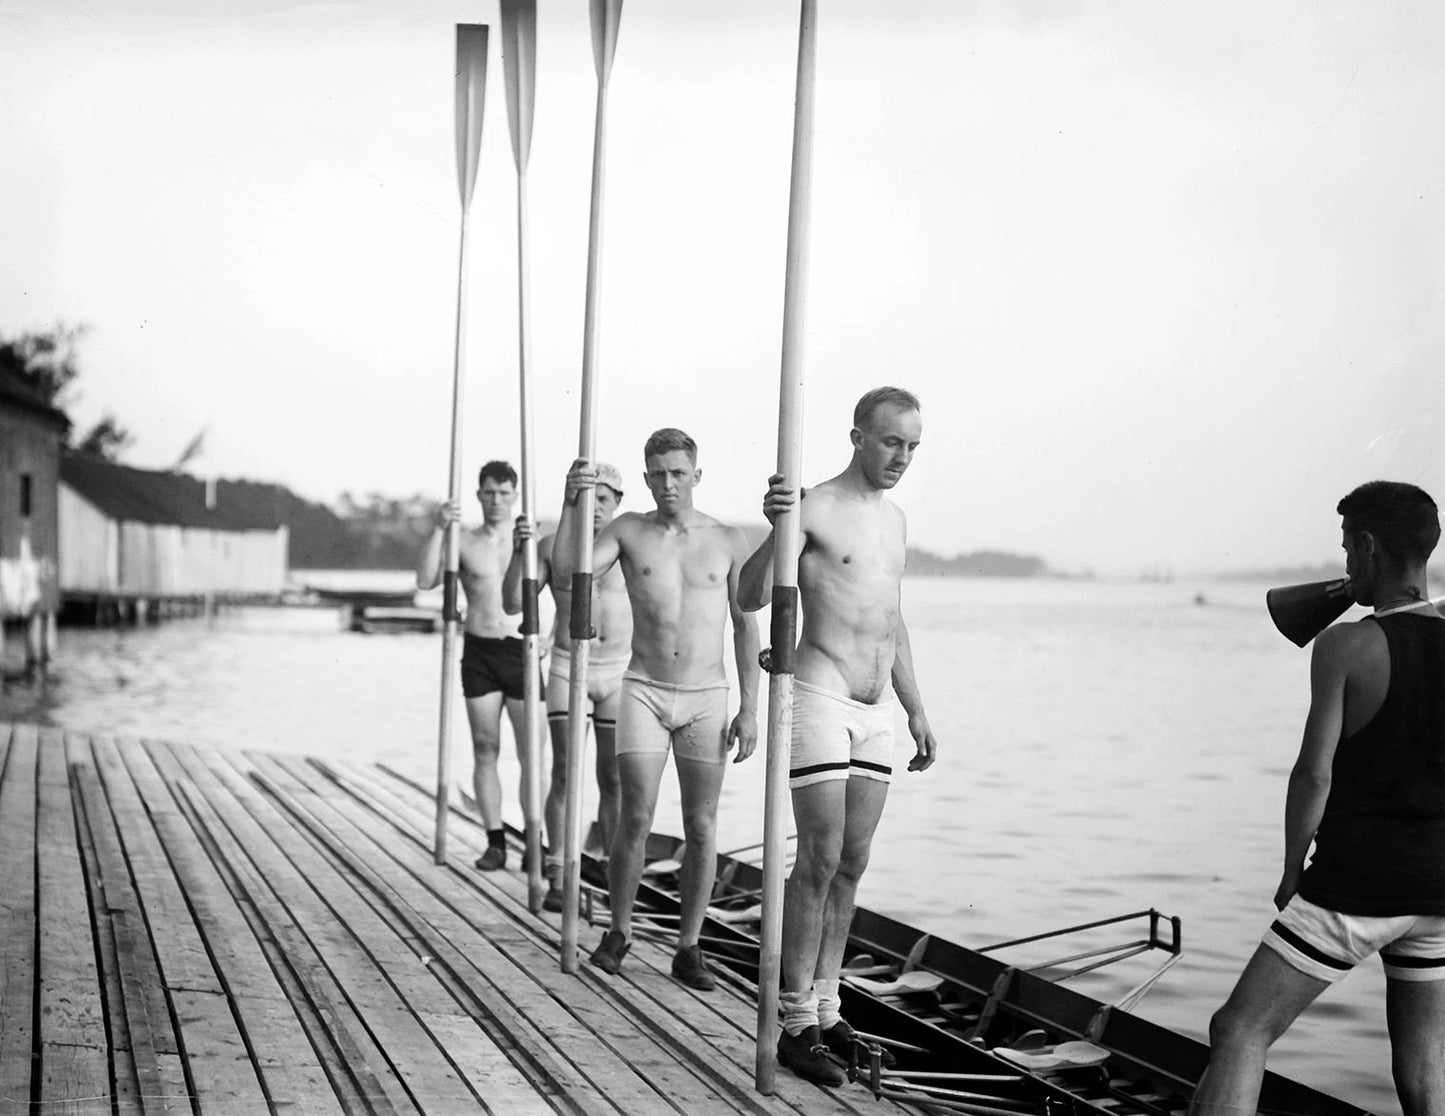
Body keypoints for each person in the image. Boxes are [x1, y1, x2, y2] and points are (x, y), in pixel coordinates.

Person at [1190, 481, 1445, 1116]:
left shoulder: (1347, 644)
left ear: (1367, 547)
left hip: (1359, 886)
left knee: (1239, 1031)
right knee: (1423, 1064)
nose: (1346, 567)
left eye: (1347, 552)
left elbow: (1313, 775)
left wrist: (1290, 868)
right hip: (1440, 888)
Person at [738, 386, 938, 1087]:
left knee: (852, 861)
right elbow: (750, 594)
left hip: (877, 707)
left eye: (912, 446)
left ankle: (828, 1008)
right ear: (857, 437)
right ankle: (794, 1024)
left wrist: (914, 708)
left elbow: (891, 618)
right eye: (891, 442)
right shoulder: (813, 506)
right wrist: (775, 529)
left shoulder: (896, 521)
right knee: (817, 860)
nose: (901, 457)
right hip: (819, 695)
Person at [553, 428, 760, 991]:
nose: (669, 483)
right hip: (642, 688)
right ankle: (619, 931)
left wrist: (750, 708)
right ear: (645, 478)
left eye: (678, 472)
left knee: (700, 823)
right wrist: (573, 504)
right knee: (635, 817)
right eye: (658, 474)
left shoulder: (727, 539)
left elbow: (746, 624)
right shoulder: (628, 530)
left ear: (696, 474)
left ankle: (689, 947)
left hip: (705, 697)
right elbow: (569, 578)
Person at [502, 462, 633, 912]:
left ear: (618, 502)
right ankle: (558, 872)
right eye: (586, 497)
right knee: (564, 771)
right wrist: (521, 552)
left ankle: (615, 874)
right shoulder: (552, 546)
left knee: (614, 777)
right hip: (567, 667)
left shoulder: (632, 546)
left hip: (618, 671)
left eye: (603, 499)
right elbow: (513, 602)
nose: (594, 508)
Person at [416, 460, 541, 872]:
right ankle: (495, 841)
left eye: (505, 493)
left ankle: (535, 840)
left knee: (532, 756)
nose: (497, 501)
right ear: (478, 496)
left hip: (521, 652)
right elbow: (425, 580)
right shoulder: (464, 540)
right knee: (486, 748)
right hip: (481, 652)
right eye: (489, 492)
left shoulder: (529, 539)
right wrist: (439, 527)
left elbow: (558, 587)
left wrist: (554, 638)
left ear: (515, 496)